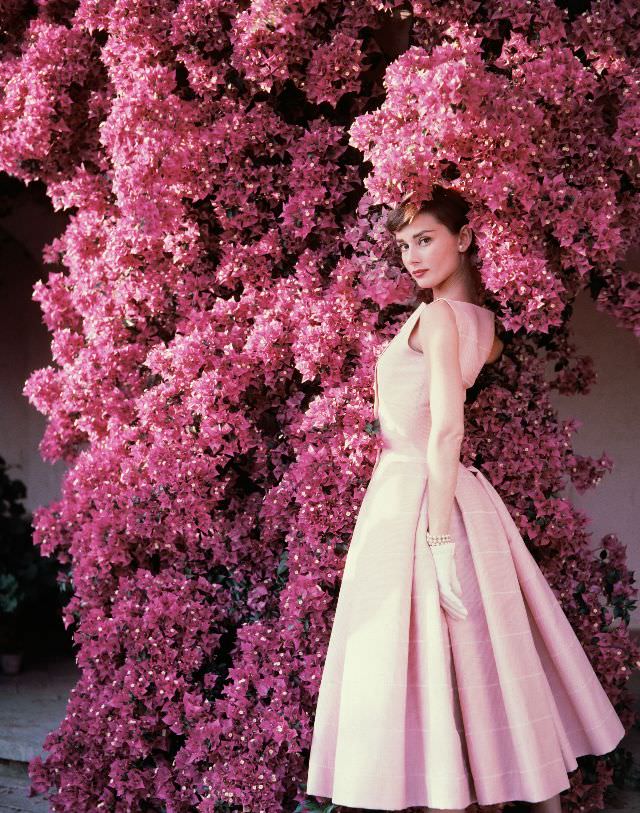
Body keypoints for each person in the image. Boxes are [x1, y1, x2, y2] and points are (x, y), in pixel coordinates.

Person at [305, 186, 626, 812]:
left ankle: (448, 791)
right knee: (483, 662)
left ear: (465, 238)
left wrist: (440, 537)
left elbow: (447, 428)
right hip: (449, 492)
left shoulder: (439, 318)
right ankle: (509, 787)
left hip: (418, 495)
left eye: (425, 239)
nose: (412, 257)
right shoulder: (483, 322)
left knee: (425, 663)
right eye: (403, 245)